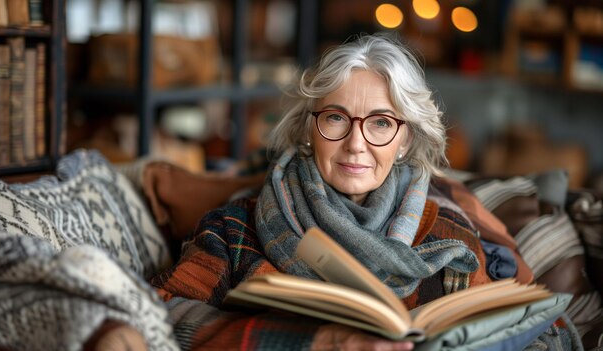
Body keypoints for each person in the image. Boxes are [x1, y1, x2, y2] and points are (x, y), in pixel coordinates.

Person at [150, 33, 574, 350]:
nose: (356, 143)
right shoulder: (234, 229)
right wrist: (312, 342)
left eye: (381, 123)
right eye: (336, 118)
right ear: (307, 129)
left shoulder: (450, 236)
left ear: (405, 139)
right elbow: (160, 316)